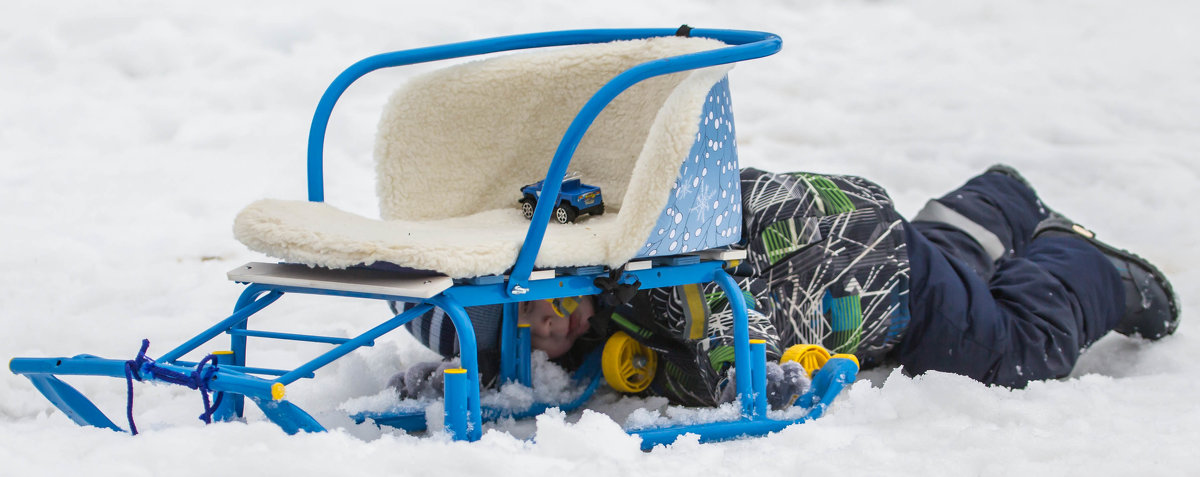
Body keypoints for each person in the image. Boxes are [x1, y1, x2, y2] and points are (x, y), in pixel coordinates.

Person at [389, 165, 1180, 408]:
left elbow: (730, 352)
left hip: (875, 287)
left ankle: (1085, 266)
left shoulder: (658, 285)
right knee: (938, 253)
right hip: (841, 225)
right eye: (521, 342)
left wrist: (715, 372)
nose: (546, 334)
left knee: (1017, 347)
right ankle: (990, 206)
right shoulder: (592, 225)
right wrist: (471, 378)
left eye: (530, 312)